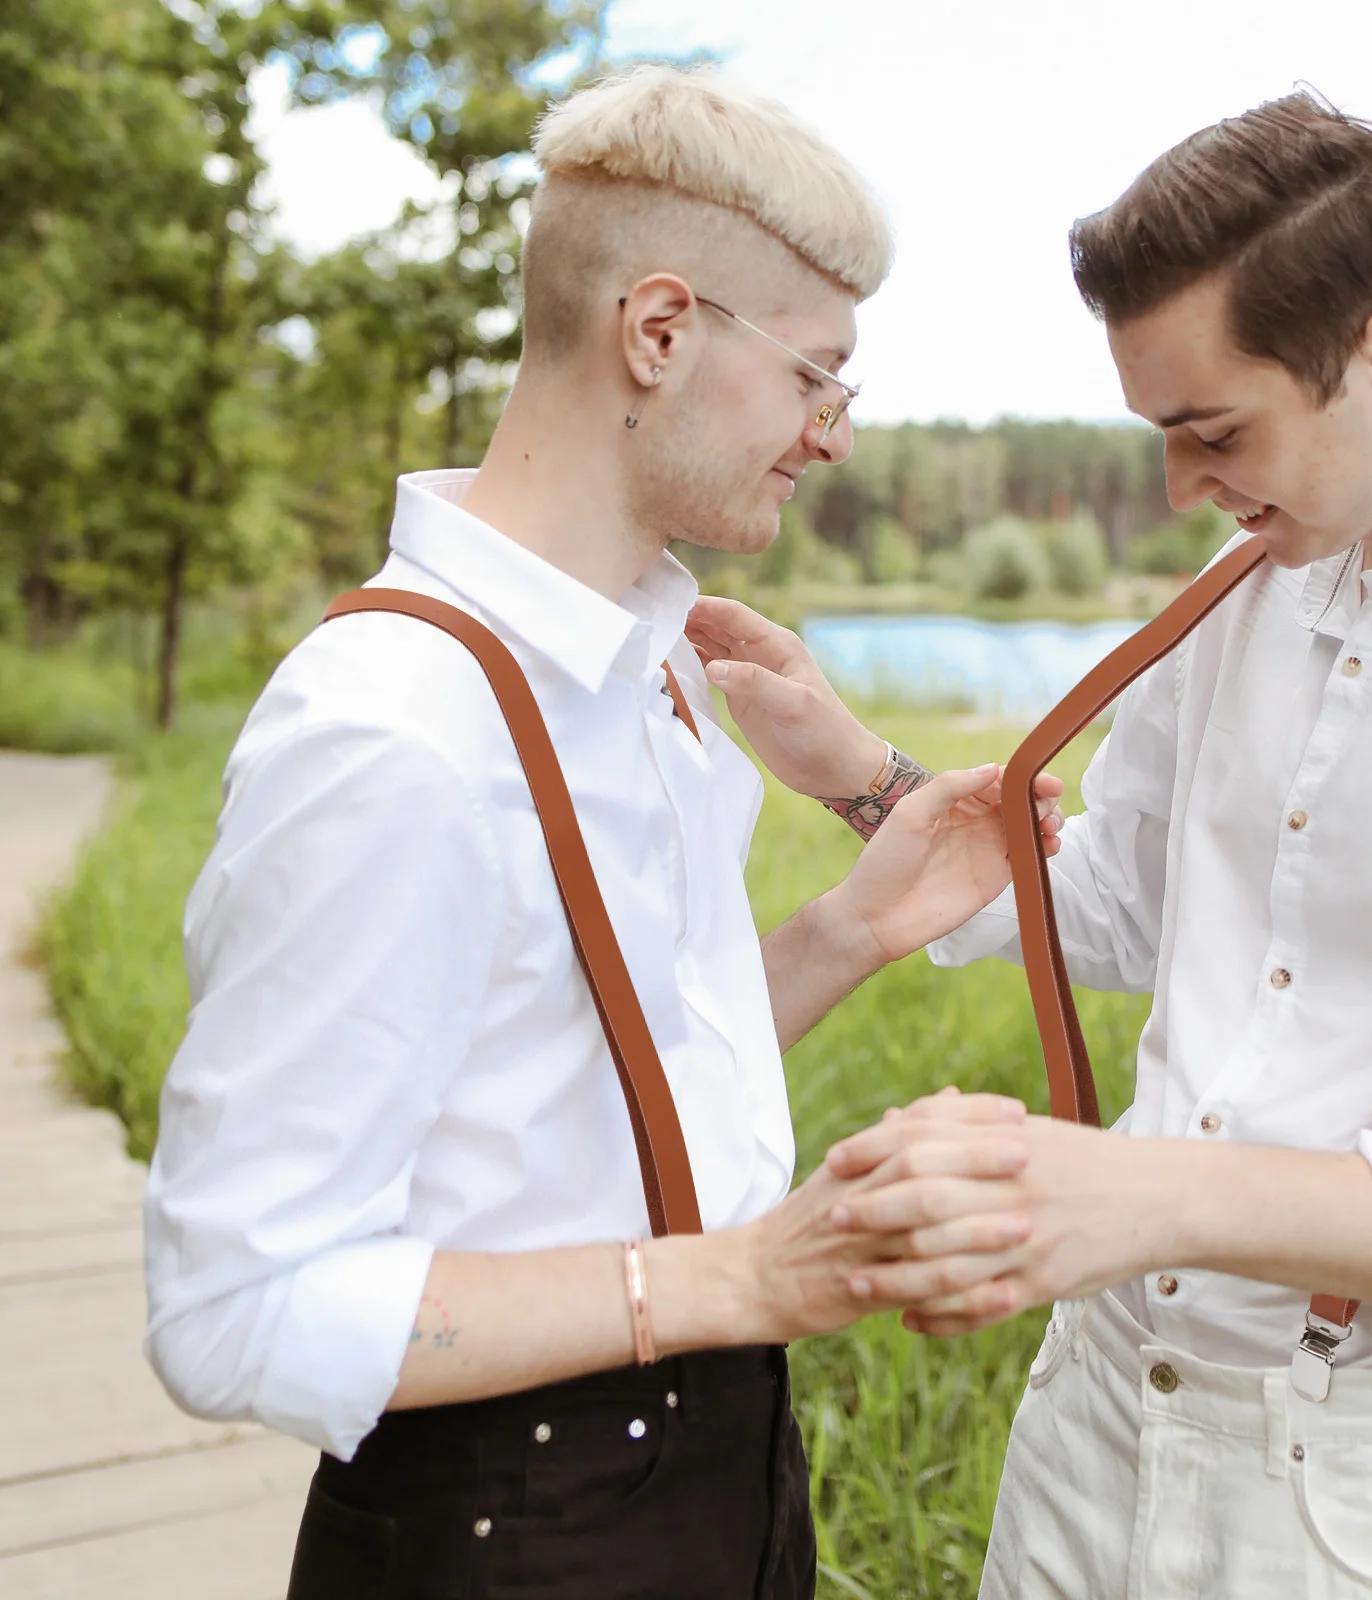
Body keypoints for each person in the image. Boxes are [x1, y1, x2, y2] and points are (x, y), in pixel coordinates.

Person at [142, 65, 1064, 1600]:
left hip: (717, 1474)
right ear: (658, 331)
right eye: (814, 379)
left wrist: (854, 930)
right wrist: (745, 1277)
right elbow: (235, 1309)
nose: (831, 435)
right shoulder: (392, 729)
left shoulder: (652, 674)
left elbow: (566, 1092)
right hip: (506, 1530)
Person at [693, 93, 1372, 1597]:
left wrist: (1138, 1196)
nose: (1186, 493)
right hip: (1096, 1429)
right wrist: (862, 773)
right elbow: (1119, 907)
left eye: (1214, 433)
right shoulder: (1247, 582)